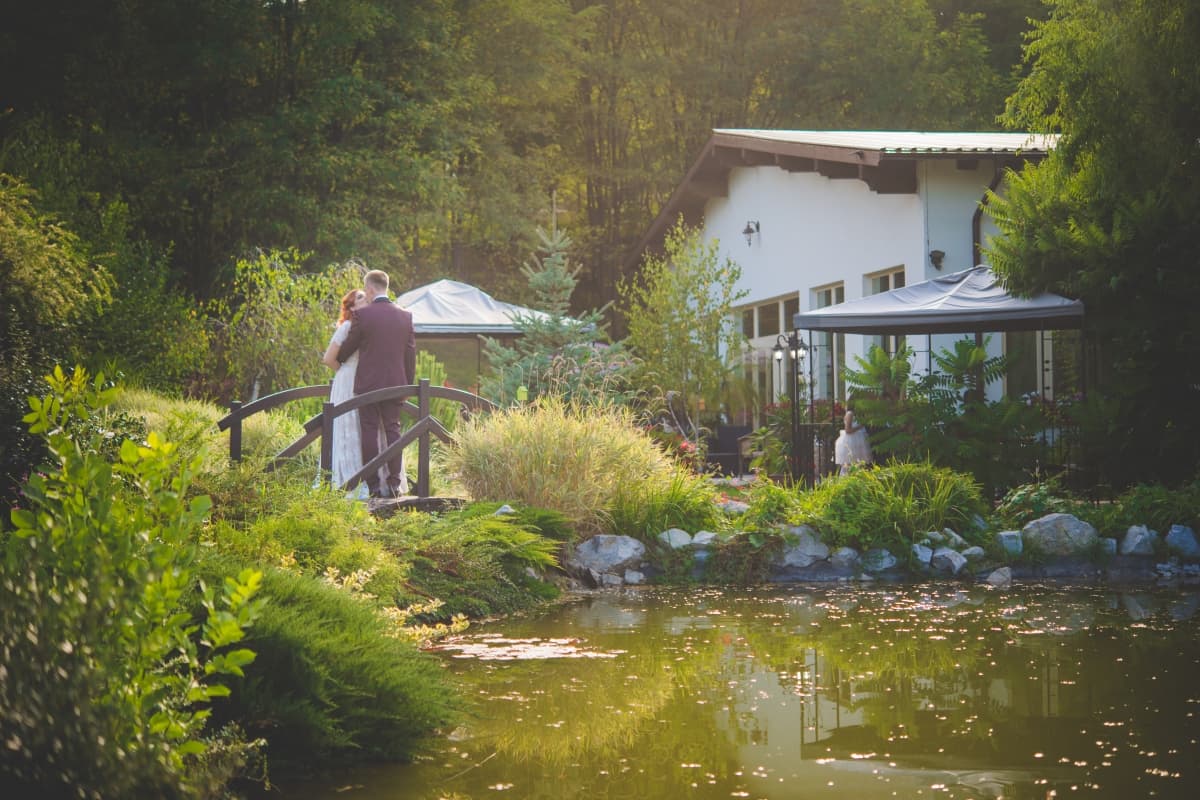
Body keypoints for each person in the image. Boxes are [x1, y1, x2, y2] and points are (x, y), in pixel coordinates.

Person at [336, 269, 416, 498]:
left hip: (368, 385)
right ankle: (393, 483)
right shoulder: (405, 316)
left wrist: (342, 357)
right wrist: (407, 386)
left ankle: (372, 486)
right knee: (393, 430)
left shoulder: (365, 315)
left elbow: (347, 350)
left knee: (369, 432)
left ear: (370, 289)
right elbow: (410, 355)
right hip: (395, 384)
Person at [320, 288, 385, 498]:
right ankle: (346, 478)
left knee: (365, 427)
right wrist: (346, 372)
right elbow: (329, 359)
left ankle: (369, 476)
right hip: (348, 379)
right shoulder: (347, 326)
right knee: (348, 425)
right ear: (351, 306)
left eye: (366, 296)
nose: (365, 298)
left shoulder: (370, 326)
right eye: (359, 297)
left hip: (367, 379)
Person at [834, 408, 872, 476]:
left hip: (858, 442)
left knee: (860, 464)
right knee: (848, 465)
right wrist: (860, 426)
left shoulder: (859, 414)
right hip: (851, 441)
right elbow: (848, 430)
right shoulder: (850, 414)